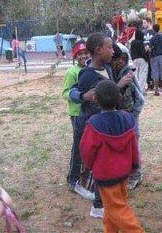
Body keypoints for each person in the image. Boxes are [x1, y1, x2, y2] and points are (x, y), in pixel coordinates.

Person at [69, 33, 132, 218]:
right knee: (85, 156)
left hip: (104, 126)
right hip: (91, 125)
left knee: (103, 162)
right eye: (109, 47)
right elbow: (85, 94)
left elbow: (108, 95)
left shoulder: (107, 68)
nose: (112, 51)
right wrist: (118, 85)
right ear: (98, 50)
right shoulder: (87, 74)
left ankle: (101, 196)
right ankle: (78, 185)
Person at [80, 80, 144, 233]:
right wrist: (135, 166)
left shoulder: (93, 124)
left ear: (95, 98)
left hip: (105, 176)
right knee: (112, 206)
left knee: (116, 208)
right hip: (124, 173)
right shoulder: (129, 119)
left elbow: (86, 150)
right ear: (119, 98)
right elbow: (134, 146)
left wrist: (90, 166)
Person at [62, 40, 94, 200]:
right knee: (78, 146)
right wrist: (80, 97)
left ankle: (85, 176)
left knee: (86, 145)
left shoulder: (90, 69)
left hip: (88, 114)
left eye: (85, 53)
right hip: (77, 114)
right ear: (75, 57)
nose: (83, 56)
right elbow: (65, 92)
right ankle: (73, 179)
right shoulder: (72, 72)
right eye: (80, 54)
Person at [112, 45, 144, 190]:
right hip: (117, 118)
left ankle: (136, 176)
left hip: (130, 117)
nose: (119, 61)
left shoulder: (128, 74)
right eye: (116, 58)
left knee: (133, 147)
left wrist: (133, 116)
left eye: (122, 59)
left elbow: (140, 98)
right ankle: (125, 173)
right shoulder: (111, 73)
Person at [149, 24, 162, 96]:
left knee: (155, 73)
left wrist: (150, 57)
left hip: (154, 57)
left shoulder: (152, 39)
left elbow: (150, 49)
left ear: (154, 30)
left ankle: (156, 90)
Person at [130, 29, 149, 94]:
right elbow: (142, 53)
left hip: (135, 59)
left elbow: (131, 52)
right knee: (142, 75)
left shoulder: (132, 42)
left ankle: (136, 90)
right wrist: (146, 50)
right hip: (142, 60)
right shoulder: (141, 42)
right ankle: (141, 90)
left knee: (136, 75)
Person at [142, 17, 155, 90]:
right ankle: (149, 84)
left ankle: (156, 84)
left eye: (144, 22)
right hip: (145, 54)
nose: (143, 24)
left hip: (152, 54)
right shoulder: (144, 32)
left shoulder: (153, 31)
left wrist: (150, 48)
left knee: (153, 69)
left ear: (149, 22)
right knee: (148, 69)